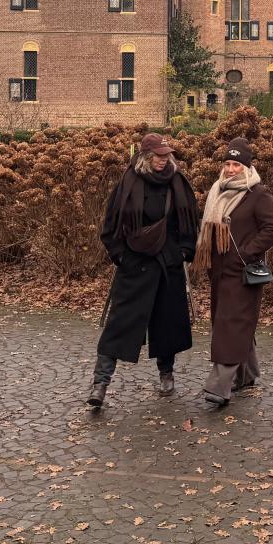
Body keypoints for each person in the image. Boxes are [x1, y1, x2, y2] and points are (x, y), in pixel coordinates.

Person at [89, 133, 200, 409]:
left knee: (167, 326)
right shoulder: (128, 182)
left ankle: (166, 374)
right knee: (118, 327)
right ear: (145, 158)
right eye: (157, 156)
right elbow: (111, 227)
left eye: (165, 156)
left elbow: (189, 224)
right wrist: (121, 257)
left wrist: (183, 253)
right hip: (134, 266)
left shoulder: (178, 182)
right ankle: (100, 384)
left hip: (167, 266)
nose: (163, 161)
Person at [197, 137, 273, 408]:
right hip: (218, 271)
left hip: (243, 273)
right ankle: (247, 374)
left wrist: (245, 253)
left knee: (230, 325)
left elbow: (271, 230)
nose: (231, 169)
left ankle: (219, 387)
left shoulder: (258, 194)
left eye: (236, 164)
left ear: (247, 167)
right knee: (231, 322)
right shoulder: (217, 191)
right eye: (228, 163)